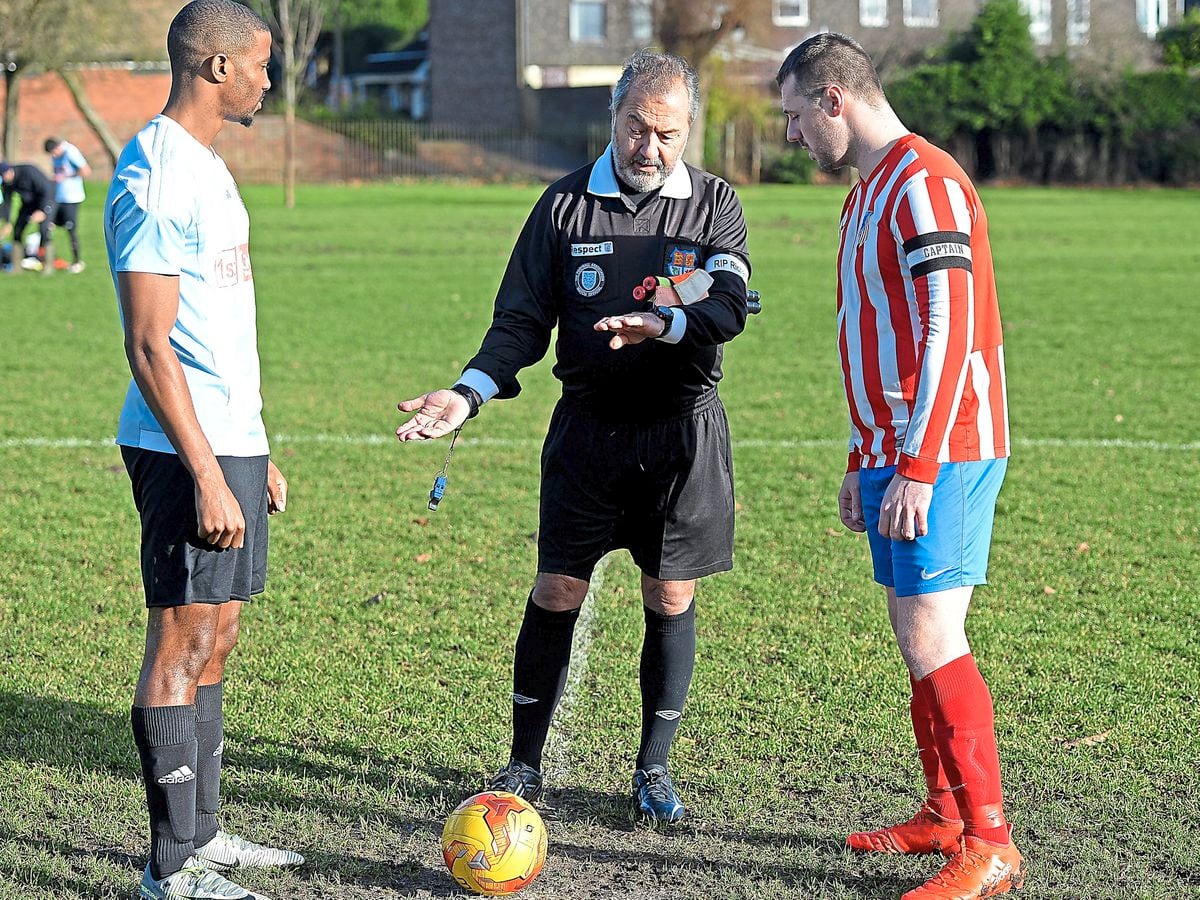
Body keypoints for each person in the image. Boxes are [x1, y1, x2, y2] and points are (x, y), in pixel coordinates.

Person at [396, 49, 751, 824]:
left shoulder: (715, 205)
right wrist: (469, 392)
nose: (650, 148)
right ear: (613, 119)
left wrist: (665, 322)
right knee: (557, 588)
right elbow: (519, 322)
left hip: (681, 438)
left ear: (688, 130)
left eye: (667, 132)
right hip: (588, 435)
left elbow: (729, 305)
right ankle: (524, 763)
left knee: (670, 594)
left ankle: (653, 768)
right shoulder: (563, 208)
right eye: (636, 128)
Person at [777, 33, 1024, 900]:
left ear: (835, 99)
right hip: (896, 449)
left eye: (797, 116)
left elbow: (947, 330)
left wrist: (916, 463)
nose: (794, 135)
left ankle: (990, 843)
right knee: (911, 629)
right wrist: (863, 455)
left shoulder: (925, 182)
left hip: (945, 446)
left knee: (932, 631)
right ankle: (946, 814)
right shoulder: (866, 193)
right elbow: (869, 342)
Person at [104, 2, 303, 898]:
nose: (270, 78)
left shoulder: (208, 166)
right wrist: (206, 473)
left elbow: (216, 330)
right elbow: (149, 346)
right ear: (217, 67)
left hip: (230, 445)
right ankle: (168, 871)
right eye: (262, 64)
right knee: (179, 646)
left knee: (217, 638)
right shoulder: (152, 173)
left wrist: (252, 455)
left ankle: (207, 838)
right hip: (183, 452)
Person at [44, 137, 91, 273]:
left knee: (70, 229)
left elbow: (86, 171)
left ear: (58, 147)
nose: (53, 156)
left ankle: (77, 262)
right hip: (57, 197)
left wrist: (67, 176)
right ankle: (47, 260)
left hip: (72, 197)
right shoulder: (56, 155)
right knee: (47, 225)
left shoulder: (71, 152)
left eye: (54, 152)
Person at [0, 161, 56, 271]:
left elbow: (47, 189)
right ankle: (16, 266)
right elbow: (7, 203)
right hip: (28, 205)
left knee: (44, 231)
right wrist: (7, 222)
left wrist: (43, 211)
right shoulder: (6, 183)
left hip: (45, 202)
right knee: (17, 230)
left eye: (5, 175)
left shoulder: (28, 171)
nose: (5, 178)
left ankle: (47, 265)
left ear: (10, 171)